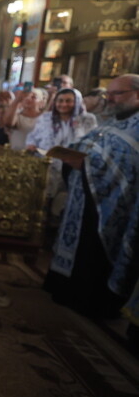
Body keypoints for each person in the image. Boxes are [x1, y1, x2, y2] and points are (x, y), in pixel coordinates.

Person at [48, 74, 138, 320]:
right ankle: (64, 288)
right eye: (108, 93)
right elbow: (87, 146)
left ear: (136, 95)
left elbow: (130, 167)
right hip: (83, 194)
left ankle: (91, 301)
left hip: (113, 206)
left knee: (94, 252)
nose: (110, 98)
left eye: (117, 94)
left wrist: (89, 167)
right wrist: (72, 158)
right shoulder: (110, 122)